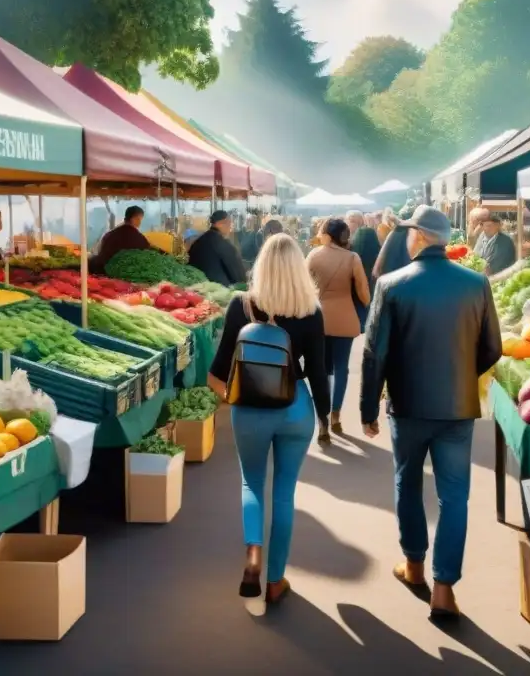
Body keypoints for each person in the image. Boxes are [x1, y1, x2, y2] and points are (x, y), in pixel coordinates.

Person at [360, 205, 502, 619]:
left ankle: (414, 566)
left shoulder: (392, 284)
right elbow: (493, 346)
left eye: (408, 233)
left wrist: (368, 407)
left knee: (407, 483)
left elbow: (374, 354)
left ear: (419, 237)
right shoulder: (476, 283)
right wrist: (460, 375)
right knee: (454, 496)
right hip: (457, 408)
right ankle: (444, 589)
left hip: (407, 406)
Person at [207, 233, 330, 606]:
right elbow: (320, 373)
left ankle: (253, 556)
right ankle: (276, 581)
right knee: (284, 493)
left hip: (251, 412)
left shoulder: (240, 306)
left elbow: (217, 371)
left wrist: (234, 399)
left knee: (252, 483)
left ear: (259, 267)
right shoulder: (311, 311)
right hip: (295, 409)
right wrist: (324, 418)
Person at [306, 219, 371, 439]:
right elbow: (363, 292)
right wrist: (365, 303)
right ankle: (335, 415)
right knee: (341, 367)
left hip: (318, 318)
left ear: (326, 234)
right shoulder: (353, 258)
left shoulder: (313, 255)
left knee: (321, 369)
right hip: (345, 317)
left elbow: (305, 286)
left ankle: (321, 418)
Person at [188, 210, 247, 286]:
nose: (230, 227)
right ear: (222, 223)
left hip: (196, 288)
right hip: (220, 292)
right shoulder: (225, 245)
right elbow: (238, 275)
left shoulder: (197, 243)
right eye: (229, 223)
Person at [89, 205, 154, 274]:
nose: (140, 223)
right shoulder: (140, 239)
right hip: (128, 275)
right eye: (140, 219)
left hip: (103, 272)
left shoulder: (109, 235)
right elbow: (146, 259)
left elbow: (100, 253)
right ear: (134, 219)